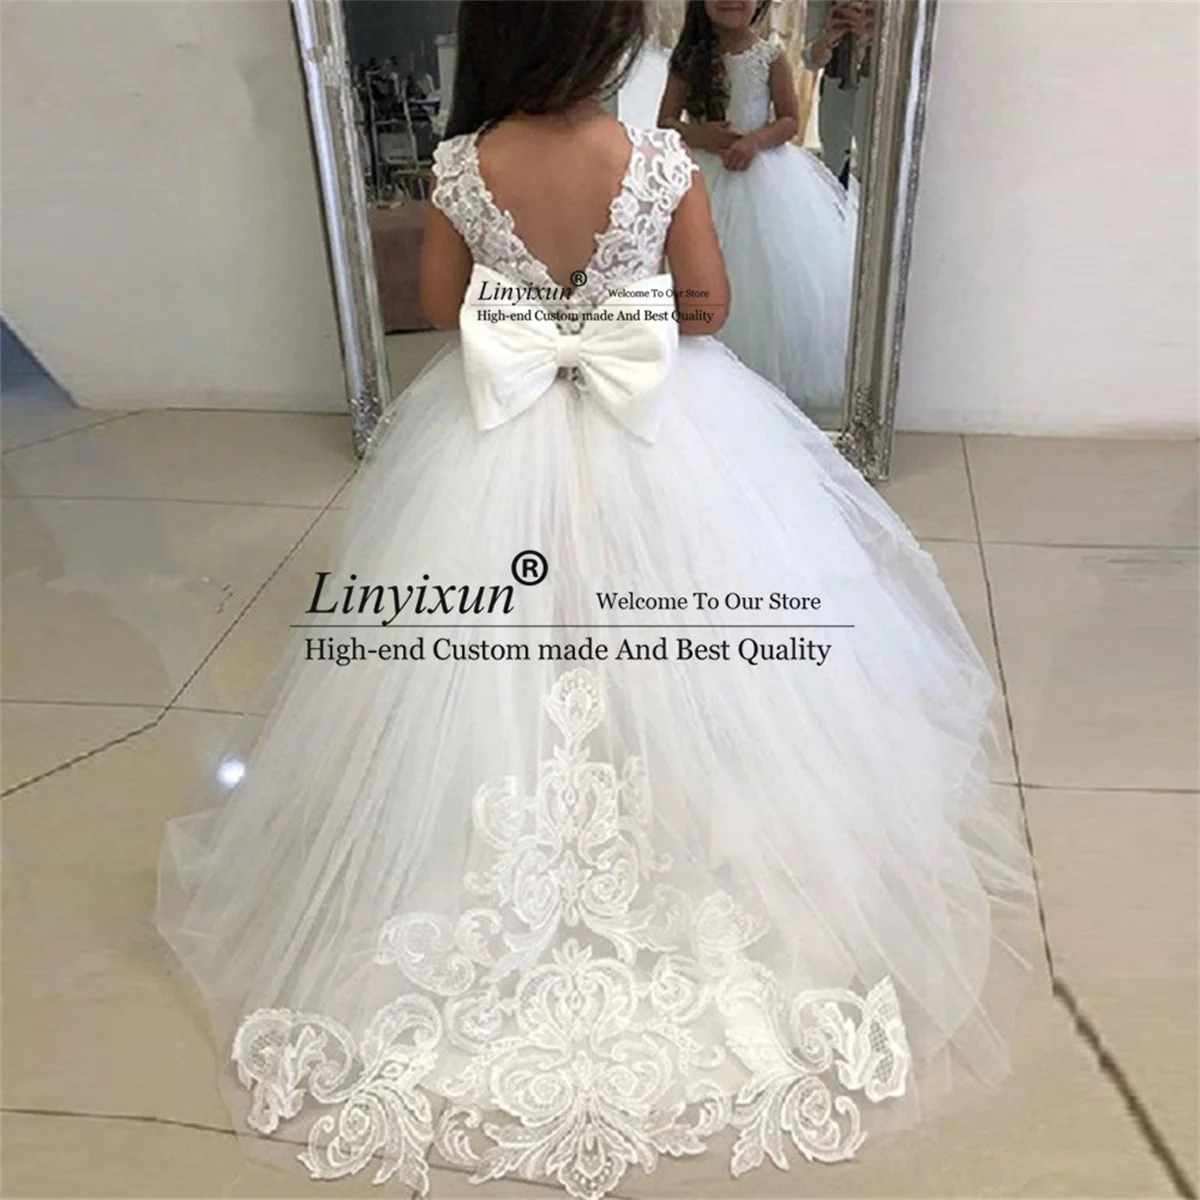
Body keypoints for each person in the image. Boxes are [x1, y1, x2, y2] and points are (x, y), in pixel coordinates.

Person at [157, 3, 1037, 1199]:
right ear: (604, 45)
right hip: (661, 427)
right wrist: (619, 317)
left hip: (493, 439)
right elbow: (710, 304)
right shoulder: (656, 160)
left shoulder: (463, 166)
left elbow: (447, 308)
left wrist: (541, 321)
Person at [658, 0, 858, 416]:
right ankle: (700, 375)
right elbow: (666, 122)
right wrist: (699, 134)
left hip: (761, 174)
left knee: (760, 275)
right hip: (702, 175)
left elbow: (789, 120)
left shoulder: (770, 55)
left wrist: (754, 141)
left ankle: (756, 380)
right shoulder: (688, 57)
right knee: (702, 261)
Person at [804, 0, 875, 188]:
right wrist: (827, 39)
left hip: (881, 102)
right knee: (834, 178)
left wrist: (874, 34)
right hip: (835, 97)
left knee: (877, 178)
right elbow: (810, 59)